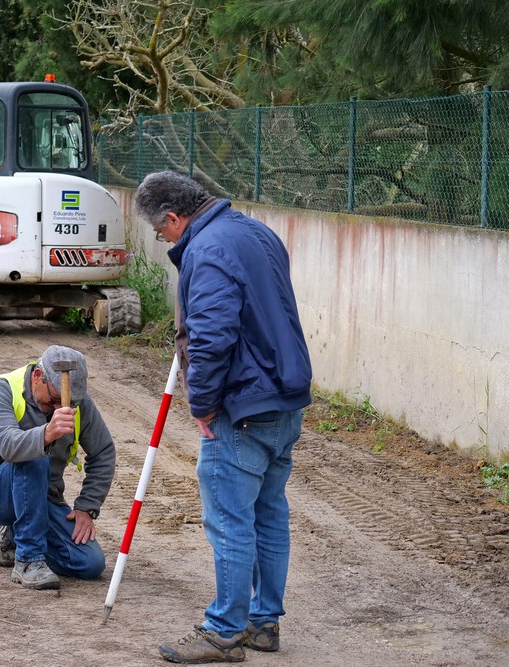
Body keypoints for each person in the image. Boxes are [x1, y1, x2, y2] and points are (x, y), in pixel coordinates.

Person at [133, 172, 312, 663]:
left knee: (231, 521)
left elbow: (212, 337)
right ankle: (263, 623)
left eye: (161, 232)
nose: (166, 241)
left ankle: (224, 632)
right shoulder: (256, 231)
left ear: (173, 217)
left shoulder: (208, 249)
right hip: (284, 398)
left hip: (242, 406)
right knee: (269, 513)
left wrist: (204, 404)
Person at [0, 345, 116, 591]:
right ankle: (28, 560)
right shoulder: (1, 389)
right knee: (35, 455)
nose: (59, 408)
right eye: (53, 400)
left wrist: (87, 506)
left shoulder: (78, 402)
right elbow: (9, 446)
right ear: (37, 376)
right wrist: (48, 434)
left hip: (41, 495)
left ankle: (15, 533)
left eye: (66, 403)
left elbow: (103, 451)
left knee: (90, 563)